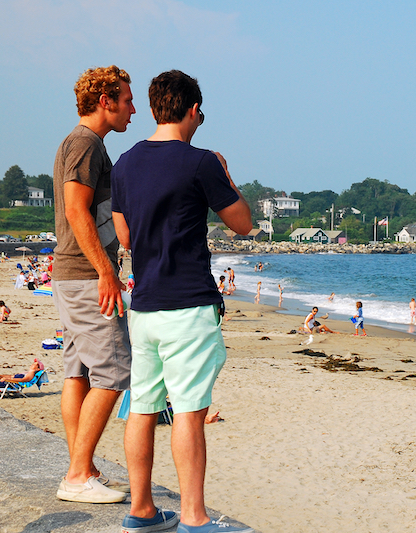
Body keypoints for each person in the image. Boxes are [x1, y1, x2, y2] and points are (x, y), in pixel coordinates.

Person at [111, 70, 253, 533]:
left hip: (145, 304)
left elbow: (126, 235)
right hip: (188, 303)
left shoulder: (125, 163)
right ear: (194, 110)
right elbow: (243, 224)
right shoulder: (201, 162)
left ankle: (142, 509)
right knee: (190, 410)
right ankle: (193, 516)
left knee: (144, 407)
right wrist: (226, 174)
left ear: (153, 109)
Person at [51, 65, 134, 505]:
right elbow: (77, 211)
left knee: (77, 371)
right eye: (126, 100)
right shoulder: (85, 143)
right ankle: (78, 473)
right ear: (106, 101)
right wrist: (107, 272)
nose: (133, 109)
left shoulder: (81, 142)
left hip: (71, 274)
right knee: (115, 371)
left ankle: (83, 468)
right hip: (86, 276)